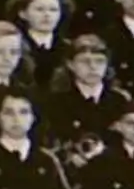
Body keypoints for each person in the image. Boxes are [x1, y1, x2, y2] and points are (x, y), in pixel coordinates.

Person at [43, 34, 125, 162]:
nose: (93, 67)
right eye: (85, 61)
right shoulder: (55, 103)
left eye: (99, 61)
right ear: (70, 64)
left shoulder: (120, 101)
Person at [10, 0, 72, 87]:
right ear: (23, 13)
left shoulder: (69, 49)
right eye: (39, 9)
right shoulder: (14, 47)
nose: (47, 15)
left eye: (53, 10)